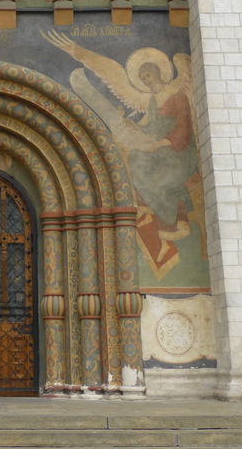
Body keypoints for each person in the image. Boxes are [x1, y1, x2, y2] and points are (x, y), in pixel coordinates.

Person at [43, 32, 202, 278]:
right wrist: (136, 129)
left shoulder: (178, 94)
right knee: (135, 163)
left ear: (159, 73)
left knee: (156, 179)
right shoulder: (150, 99)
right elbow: (149, 124)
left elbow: (183, 129)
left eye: (149, 74)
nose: (147, 79)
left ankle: (171, 223)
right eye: (143, 77)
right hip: (157, 147)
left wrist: (159, 143)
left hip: (177, 151)